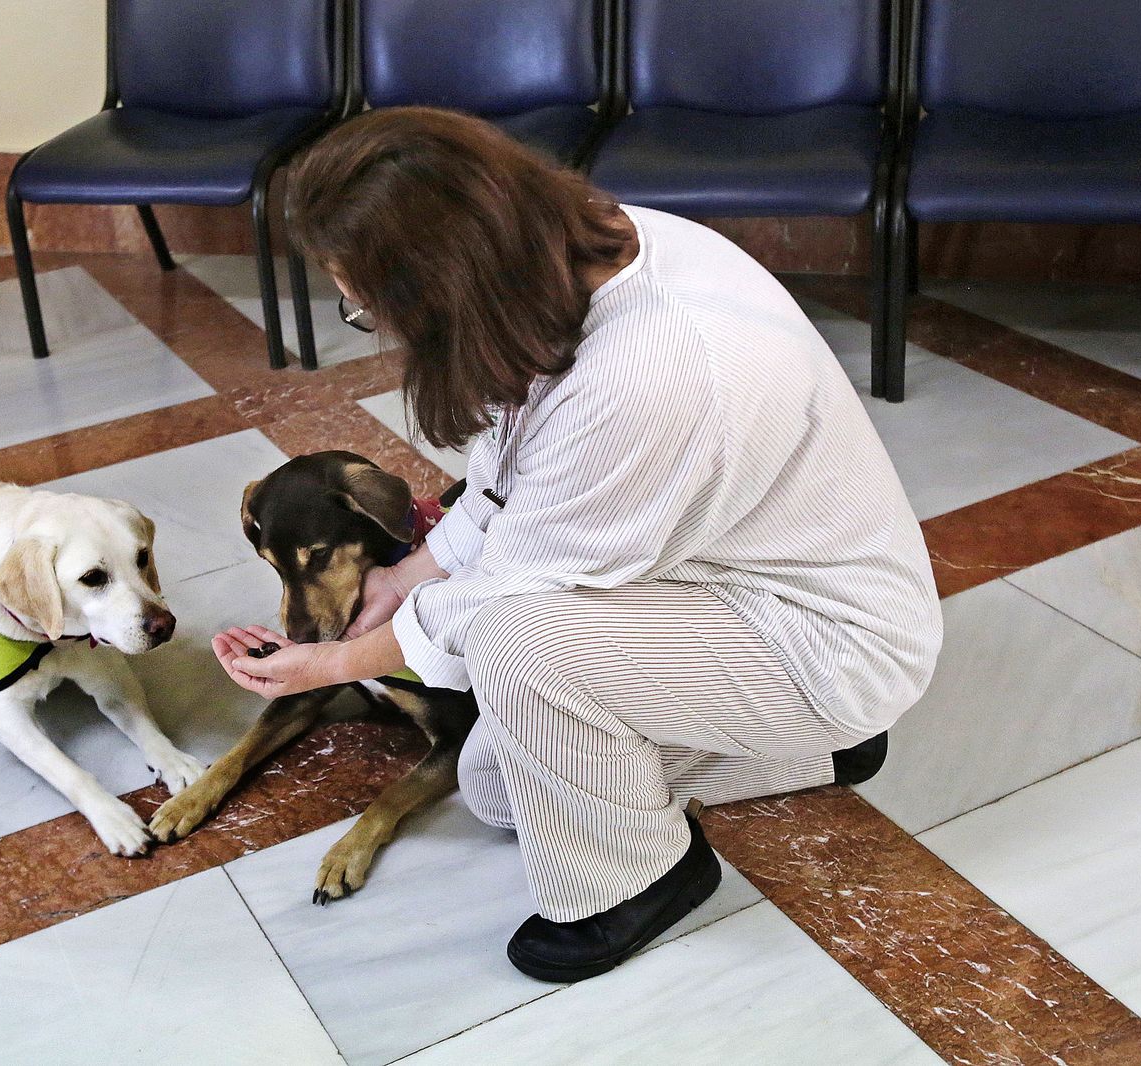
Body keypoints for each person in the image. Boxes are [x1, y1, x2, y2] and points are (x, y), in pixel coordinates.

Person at [210, 107, 943, 983]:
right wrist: (408, 574)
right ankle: (818, 753)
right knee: (492, 790)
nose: (376, 326)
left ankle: (641, 880)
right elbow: (511, 476)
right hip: (708, 576)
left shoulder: (647, 371)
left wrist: (328, 667)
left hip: (822, 639)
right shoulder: (577, 256)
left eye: (369, 307)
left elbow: (507, 597)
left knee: (514, 645)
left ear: (449, 283)